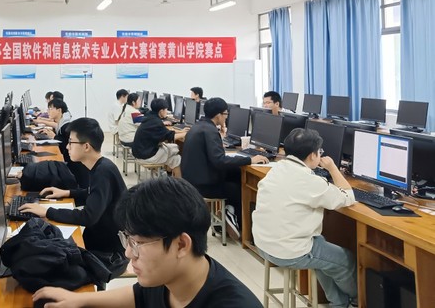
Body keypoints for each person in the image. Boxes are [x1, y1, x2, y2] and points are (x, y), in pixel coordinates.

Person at [32, 178, 262, 307]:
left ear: (181, 245)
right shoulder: (168, 276)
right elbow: (138, 295)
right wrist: (79, 300)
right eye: (128, 239)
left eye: (138, 243)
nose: (128, 253)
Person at [253, 128, 357, 308]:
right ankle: (358, 300)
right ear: (312, 155)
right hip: (288, 252)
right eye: (320, 152)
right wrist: (333, 168)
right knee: (347, 260)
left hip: (263, 244)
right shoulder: (309, 181)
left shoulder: (277, 169)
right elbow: (348, 197)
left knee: (321, 244)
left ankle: (339, 303)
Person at [19, 117, 127, 266]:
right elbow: (93, 192)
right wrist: (67, 193)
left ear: (86, 146)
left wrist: (47, 212)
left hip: (109, 254)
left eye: (71, 142)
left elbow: (88, 217)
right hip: (99, 240)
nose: (67, 147)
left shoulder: (103, 172)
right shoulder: (101, 166)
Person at [181, 97, 268, 236]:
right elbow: (219, 161)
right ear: (218, 115)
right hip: (203, 186)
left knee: (237, 174)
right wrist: (250, 160)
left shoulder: (200, 126)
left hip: (193, 180)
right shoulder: (210, 131)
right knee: (238, 188)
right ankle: (240, 226)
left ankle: (228, 213)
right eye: (226, 114)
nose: (226, 117)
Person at [132, 98, 185, 177]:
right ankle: (176, 182)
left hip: (140, 152)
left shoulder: (150, 117)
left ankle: (168, 176)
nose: (167, 111)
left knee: (174, 156)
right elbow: (171, 136)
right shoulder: (156, 122)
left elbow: (166, 132)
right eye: (166, 110)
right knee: (176, 152)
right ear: (161, 111)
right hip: (146, 155)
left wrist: (181, 131)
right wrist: (185, 133)